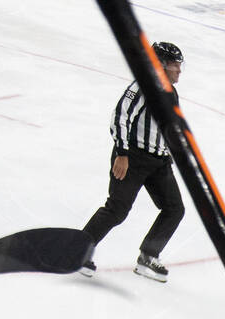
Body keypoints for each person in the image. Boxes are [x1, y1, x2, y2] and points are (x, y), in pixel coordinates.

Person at [80, 41, 186, 283]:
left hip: (159, 162)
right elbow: (120, 116)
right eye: (174, 65)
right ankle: (79, 249)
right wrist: (122, 153)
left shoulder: (171, 91)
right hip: (133, 158)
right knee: (117, 210)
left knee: (174, 209)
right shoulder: (144, 85)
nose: (179, 70)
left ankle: (148, 256)